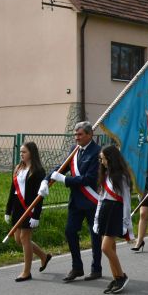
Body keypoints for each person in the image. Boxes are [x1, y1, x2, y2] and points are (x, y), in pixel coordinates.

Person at [38, 121, 102, 282]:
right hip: (75, 201)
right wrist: (45, 180)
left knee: (95, 235)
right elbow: (61, 167)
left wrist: (65, 180)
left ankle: (96, 269)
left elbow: (89, 179)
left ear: (89, 135)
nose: (76, 138)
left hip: (91, 199)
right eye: (75, 134)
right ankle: (77, 267)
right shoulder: (74, 150)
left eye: (80, 135)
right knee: (70, 231)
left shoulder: (97, 152)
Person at [5, 142, 52, 282]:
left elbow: (41, 195)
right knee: (18, 239)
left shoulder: (38, 171)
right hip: (18, 208)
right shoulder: (18, 168)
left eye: (24, 152)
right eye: (20, 152)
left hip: (30, 209)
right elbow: (12, 191)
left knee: (25, 239)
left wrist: (36, 215)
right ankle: (44, 256)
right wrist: (8, 210)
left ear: (32, 153)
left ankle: (26, 272)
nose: (21, 154)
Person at [93, 145, 133, 294]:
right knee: (112, 248)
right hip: (105, 211)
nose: (101, 161)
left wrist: (125, 222)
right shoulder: (105, 174)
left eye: (102, 158)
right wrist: (97, 219)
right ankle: (116, 277)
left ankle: (122, 276)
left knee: (105, 248)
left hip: (116, 212)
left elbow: (127, 201)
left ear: (110, 159)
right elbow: (100, 199)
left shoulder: (121, 176)